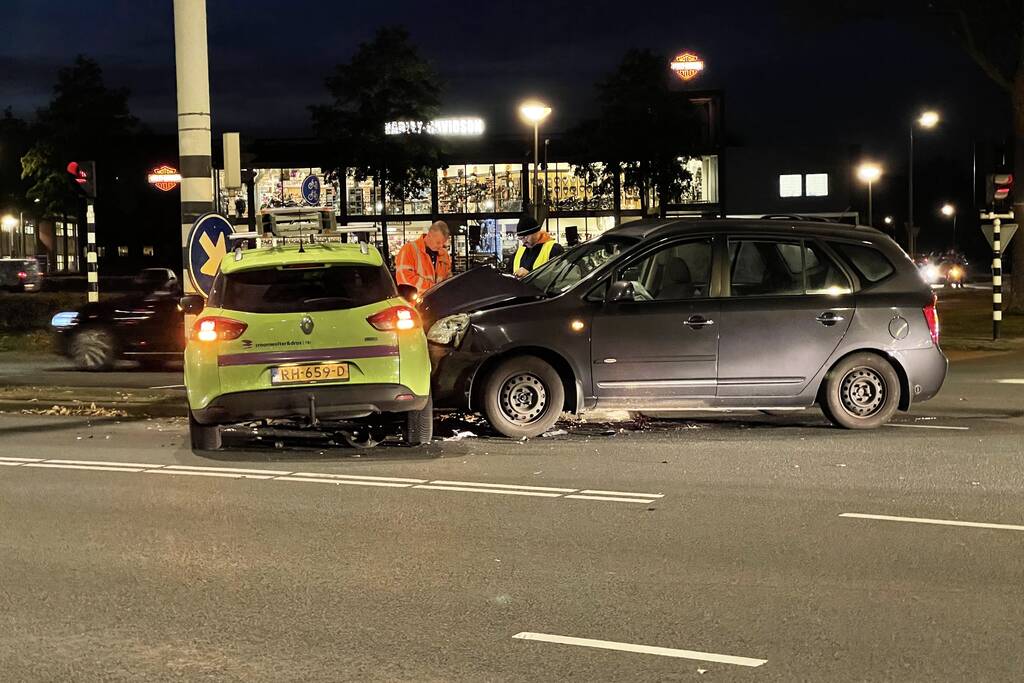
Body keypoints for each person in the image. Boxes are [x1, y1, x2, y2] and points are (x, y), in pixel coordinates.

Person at [395, 220, 452, 294]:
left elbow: (448, 277)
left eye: (443, 243)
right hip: (415, 304)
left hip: (438, 302)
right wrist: (434, 289)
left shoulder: (444, 254)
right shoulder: (408, 249)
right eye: (438, 242)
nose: (441, 246)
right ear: (429, 235)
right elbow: (404, 278)